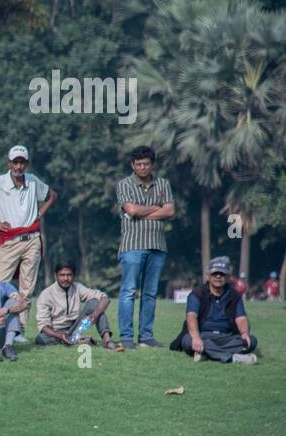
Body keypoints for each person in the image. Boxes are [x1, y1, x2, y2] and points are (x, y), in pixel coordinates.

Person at [0, 145, 55, 333]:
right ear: (9, 163)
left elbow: (51, 195)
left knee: (27, 290)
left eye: (22, 162)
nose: (18, 166)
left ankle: (19, 331)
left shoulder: (32, 181)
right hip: (10, 241)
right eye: (15, 162)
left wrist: (40, 212)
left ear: (27, 164)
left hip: (32, 239)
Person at [116, 145, 175, 349]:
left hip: (158, 245)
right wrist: (157, 208)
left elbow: (170, 211)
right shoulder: (124, 184)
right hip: (132, 245)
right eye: (139, 164)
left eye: (146, 164)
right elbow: (131, 210)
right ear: (132, 165)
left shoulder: (163, 184)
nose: (142, 167)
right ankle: (126, 336)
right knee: (129, 291)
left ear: (153, 164)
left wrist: (142, 212)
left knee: (150, 293)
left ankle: (146, 336)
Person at [170, 257, 258, 364]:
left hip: (226, 337)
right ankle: (233, 358)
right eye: (214, 273)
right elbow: (191, 316)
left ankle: (206, 353)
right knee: (188, 340)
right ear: (208, 275)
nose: (218, 276)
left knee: (251, 341)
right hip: (202, 335)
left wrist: (244, 333)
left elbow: (241, 318)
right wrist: (196, 338)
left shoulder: (234, 295)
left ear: (227, 276)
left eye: (222, 274)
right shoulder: (197, 293)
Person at [34, 261, 122, 351]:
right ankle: (77, 340)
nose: (66, 278)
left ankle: (108, 341)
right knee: (40, 339)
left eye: (69, 275)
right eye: (62, 275)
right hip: (56, 332)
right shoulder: (46, 294)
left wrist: (94, 315)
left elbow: (105, 298)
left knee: (94, 303)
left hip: (76, 328)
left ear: (73, 276)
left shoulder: (77, 288)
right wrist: (59, 336)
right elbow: (43, 326)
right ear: (55, 276)